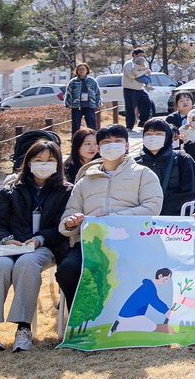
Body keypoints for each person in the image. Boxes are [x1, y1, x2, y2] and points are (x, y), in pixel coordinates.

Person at [0, 139, 72, 354]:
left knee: (28, 263)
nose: (44, 164)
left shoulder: (67, 191)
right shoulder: (10, 190)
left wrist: (40, 239)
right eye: (38, 160)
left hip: (42, 248)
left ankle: (23, 328)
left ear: (58, 163)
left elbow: (63, 227)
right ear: (28, 163)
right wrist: (4, 239)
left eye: (50, 160)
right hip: (7, 247)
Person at [57, 124, 164, 308]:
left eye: (117, 141)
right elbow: (68, 215)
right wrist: (71, 223)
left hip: (132, 241)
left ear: (127, 145)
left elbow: (152, 207)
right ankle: (80, 319)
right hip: (92, 243)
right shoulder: (85, 180)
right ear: (98, 148)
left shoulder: (143, 174)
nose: (112, 146)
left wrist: (114, 217)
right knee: (67, 269)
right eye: (106, 142)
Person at [137, 118, 195, 217]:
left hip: (175, 220)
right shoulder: (135, 163)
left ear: (168, 137)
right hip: (142, 219)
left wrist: (159, 206)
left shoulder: (183, 160)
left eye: (158, 134)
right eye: (148, 134)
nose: (153, 137)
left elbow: (190, 193)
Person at [107, 268, 172, 336]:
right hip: (130, 316)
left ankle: (119, 325)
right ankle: (119, 326)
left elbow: (154, 300)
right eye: (166, 278)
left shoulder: (149, 285)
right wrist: (166, 311)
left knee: (148, 326)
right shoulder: (149, 287)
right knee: (151, 327)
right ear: (160, 276)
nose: (166, 281)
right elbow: (155, 301)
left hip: (129, 315)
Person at [65, 63, 101, 134]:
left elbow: (97, 93)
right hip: (77, 106)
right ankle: (75, 141)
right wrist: (68, 104)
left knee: (92, 125)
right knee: (75, 125)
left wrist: (98, 103)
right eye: (79, 69)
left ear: (87, 70)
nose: (81, 71)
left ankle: (94, 140)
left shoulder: (92, 81)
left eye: (83, 69)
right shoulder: (73, 82)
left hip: (89, 106)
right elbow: (68, 93)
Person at [121, 48, 152, 130]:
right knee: (130, 108)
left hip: (140, 88)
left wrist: (146, 72)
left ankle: (143, 122)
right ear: (134, 55)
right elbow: (132, 76)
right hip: (130, 88)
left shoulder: (142, 64)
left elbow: (147, 73)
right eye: (139, 55)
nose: (141, 57)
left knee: (147, 102)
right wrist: (144, 72)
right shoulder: (128, 64)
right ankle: (129, 126)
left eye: (142, 55)